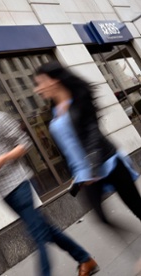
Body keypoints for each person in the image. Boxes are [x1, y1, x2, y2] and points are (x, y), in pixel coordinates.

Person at [0, 88, 98, 276]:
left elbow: (24, 143)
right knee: (45, 229)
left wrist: (2, 158)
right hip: (4, 192)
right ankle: (85, 259)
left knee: (37, 236)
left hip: (20, 183)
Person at [33, 61, 141, 228]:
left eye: (40, 83)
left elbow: (92, 134)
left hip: (105, 161)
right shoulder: (54, 110)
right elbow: (67, 147)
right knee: (102, 219)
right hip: (85, 173)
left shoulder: (79, 101)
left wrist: (93, 168)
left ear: (53, 81)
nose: (37, 89)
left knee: (136, 206)